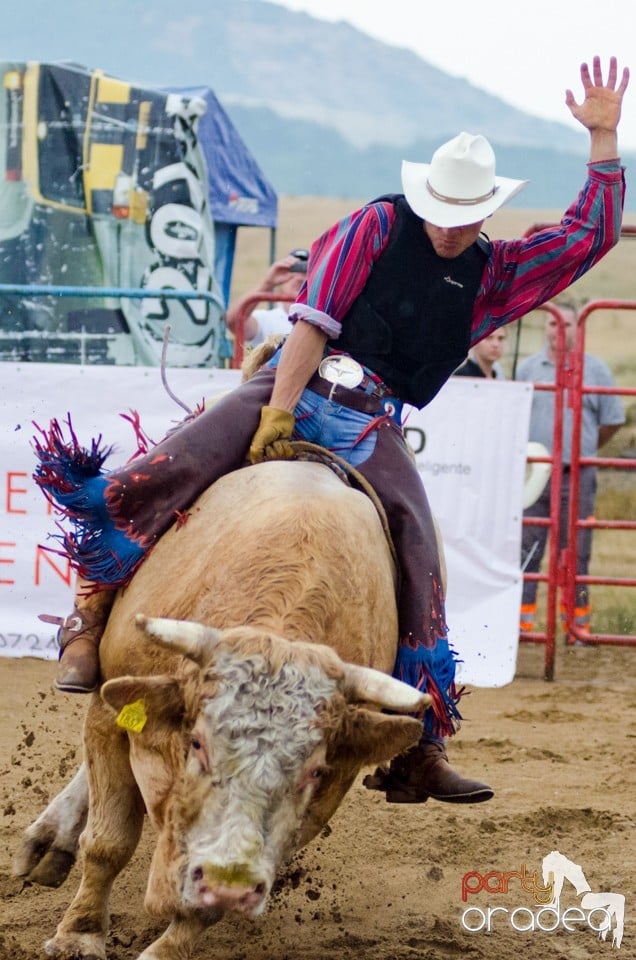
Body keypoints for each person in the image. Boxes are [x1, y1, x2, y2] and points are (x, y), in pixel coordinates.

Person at [34, 56, 628, 805]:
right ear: (425, 197)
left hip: (371, 419)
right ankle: (85, 622)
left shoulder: (494, 272)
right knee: (159, 474)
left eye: (464, 211)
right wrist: (277, 411)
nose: (448, 224)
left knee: (419, 556)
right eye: (440, 206)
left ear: (485, 212)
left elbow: (585, 238)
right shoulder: (379, 223)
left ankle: (418, 744)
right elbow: (316, 318)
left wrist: (604, 141)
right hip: (297, 380)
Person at [516, 299, 625, 640]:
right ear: (545, 327)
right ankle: (521, 629)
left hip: (577, 476)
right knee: (527, 549)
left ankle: (576, 628)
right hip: (534, 474)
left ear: (579, 328)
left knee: (577, 553)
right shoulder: (527, 370)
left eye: (567, 324)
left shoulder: (597, 371)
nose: (559, 330)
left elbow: (610, 422)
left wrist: (582, 449)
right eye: (553, 323)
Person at [225, 249, 309, 347]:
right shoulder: (267, 319)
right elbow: (234, 323)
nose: (299, 278)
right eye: (293, 270)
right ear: (281, 281)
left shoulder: (319, 319)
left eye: (305, 272)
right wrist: (268, 283)